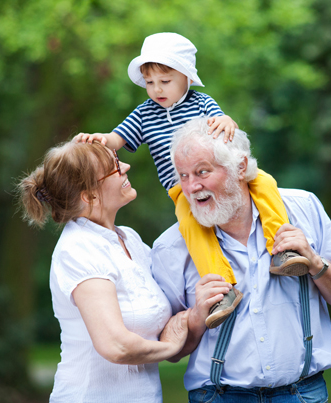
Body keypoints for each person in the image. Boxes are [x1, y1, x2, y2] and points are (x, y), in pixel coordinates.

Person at [75, 32, 311, 329]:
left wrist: (227, 121)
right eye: (150, 83)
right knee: (192, 226)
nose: (156, 89)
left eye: (165, 81)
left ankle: (282, 249)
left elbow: (223, 122)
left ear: (186, 77)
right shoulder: (144, 114)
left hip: (220, 173)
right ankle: (222, 287)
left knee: (265, 184)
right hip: (181, 188)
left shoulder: (202, 103)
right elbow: (116, 138)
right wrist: (100, 139)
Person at [151, 118, 331, 402]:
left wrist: (315, 264)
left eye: (202, 172)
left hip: (302, 394)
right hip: (218, 397)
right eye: (184, 176)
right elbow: (171, 351)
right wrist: (196, 317)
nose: (191, 187)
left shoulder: (304, 208)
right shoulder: (169, 247)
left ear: (240, 167)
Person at [17, 140, 189, 403]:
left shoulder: (129, 239)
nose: (126, 167)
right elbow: (115, 345)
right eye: (115, 167)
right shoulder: (78, 249)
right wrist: (171, 347)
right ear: (89, 196)